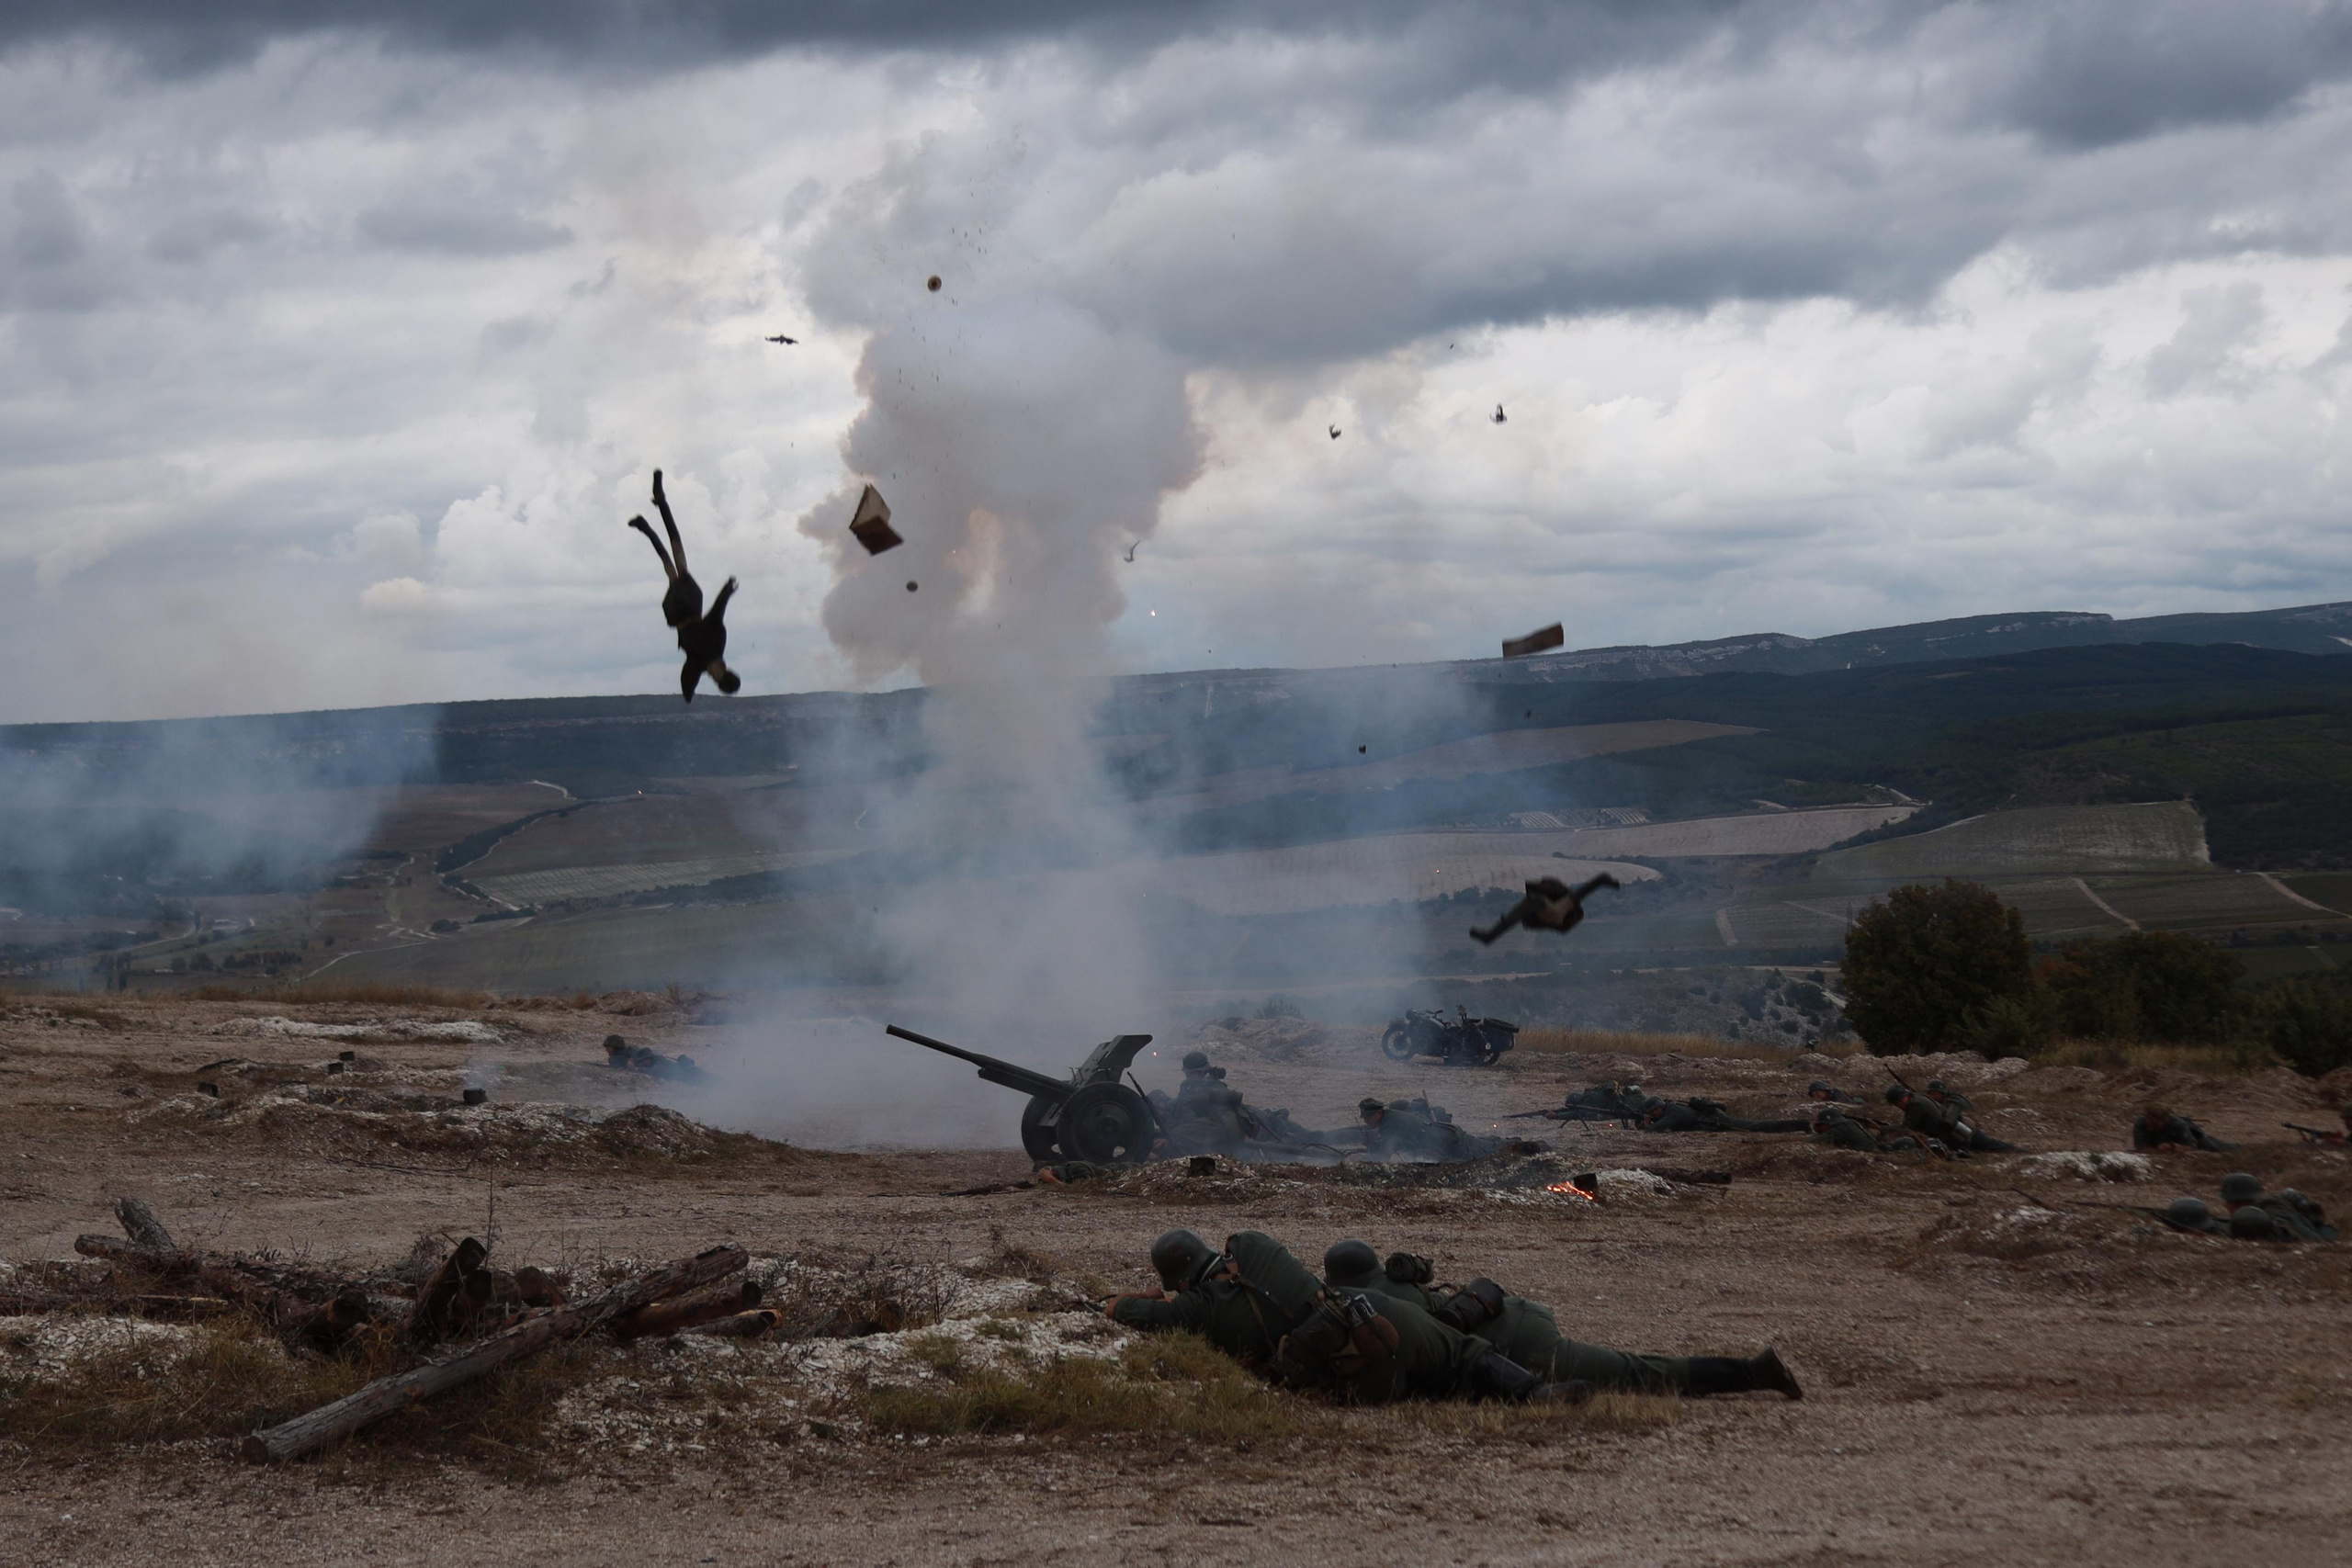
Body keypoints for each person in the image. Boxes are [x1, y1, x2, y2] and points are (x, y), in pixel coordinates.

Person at [1109, 1230, 1581, 1404]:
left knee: (1434, 1388)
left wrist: (1129, 1299)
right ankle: (1535, 1391)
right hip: (1375, 1316)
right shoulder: (1252, 1245)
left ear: (1183, 1281)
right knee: (1463, 1353)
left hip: (1347, 1369)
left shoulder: (1197, 1311)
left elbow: (1126, 1311)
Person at [1322, 1242, 1802, 1400]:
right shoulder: (1399, 1283)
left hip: (1518, 1350)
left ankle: (1754, 1373)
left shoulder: (1368, 1306)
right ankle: (1751, 1370)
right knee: (1632, 1367)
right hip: (1519, 1313)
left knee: (1638, 1374)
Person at [627, 468, 741, 703]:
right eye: (716, 677)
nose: (711, 676)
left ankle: (653, 514)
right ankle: (657, 507)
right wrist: (726, 592)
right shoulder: (716, 643)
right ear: (724, 671)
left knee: (672, 564)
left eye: (713, 679)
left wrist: (687, 695)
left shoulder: (700, 663)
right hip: (689, 605)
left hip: (677, 612)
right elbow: (716, 615)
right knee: (674, 561)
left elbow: (688, 677)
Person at [1469, 873, 1620, 946]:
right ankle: (1491, 936)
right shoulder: (1562, 902)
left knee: (1527, 906)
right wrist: (1606, 880)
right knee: (1523, 910)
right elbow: (1587, 889)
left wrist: (1605, 880)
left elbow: (1586, 889)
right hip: (1554, 918)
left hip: (1555, 914)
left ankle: (1490, 936)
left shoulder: (1553, 901)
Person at [1359, 1096, 1505, 1161]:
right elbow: (1399, 1144)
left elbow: (1383, 1156)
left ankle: (1516, 1146)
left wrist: (1369, 1150)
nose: (1366, 1121)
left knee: (1480, 1154)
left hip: (1441, 1141)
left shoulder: (1388, 1124)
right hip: (1443, 1133)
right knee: (1482, 1144)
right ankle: (1509, 1143)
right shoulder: (1390, 1116)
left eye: (1367, 1117)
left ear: (1378, 1113)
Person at [1884, 1084, 2016, 1153]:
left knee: (1991, 1146)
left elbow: (1906, 1128)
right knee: (1989, 1146)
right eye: (1897, 1103)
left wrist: (1881, 1128)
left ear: (1907, 1095)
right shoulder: (1917, 1100)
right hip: (1957, 1131)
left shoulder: (1917, 1104)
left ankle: (2018, 1151)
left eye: (1901, 1100)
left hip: (1960, 1132)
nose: (1900, 1104)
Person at [2217, 1171, 2336, 1242]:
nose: (2226, 1205)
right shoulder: (2264, 1205)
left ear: (2239, 1202)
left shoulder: (2270, 1207)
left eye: (2228, 1201)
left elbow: (2300, 1233)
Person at [1638, 1097, 1810, 1135]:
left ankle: (1801, 1125)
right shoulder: (1671, 1108)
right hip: (1711, 1117)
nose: (1654, 1114)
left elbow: (1656, 1128)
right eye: (1652, 1113)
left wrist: (1647, 1125)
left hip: (1715, 1120)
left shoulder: (1672, 1112)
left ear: (1660, 1107)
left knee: (1755, 1127)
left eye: (1655, 1111)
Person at [2132, 1104, 2235, 1154]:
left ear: (2164, 1121)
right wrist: (2158, 1150)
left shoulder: (2178, 1124)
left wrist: (2173, 1146)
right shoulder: (2140, 1124)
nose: (2150, 1125)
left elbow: (2191, 1145)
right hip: (2161, 1146)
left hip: (2195, 1138)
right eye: (2148, 1120)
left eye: (2155, 1122)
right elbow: (2141, 1148)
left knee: (2218, 1148)